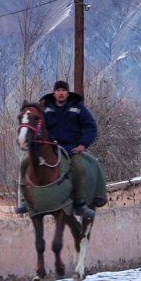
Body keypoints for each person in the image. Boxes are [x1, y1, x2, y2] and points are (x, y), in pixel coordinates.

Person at [17, 80, 99, 217]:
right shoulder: (46, 109)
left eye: (63, 90)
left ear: (67, 93)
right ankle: (26, 200)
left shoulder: (78, 108)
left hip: (71, 148)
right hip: (51, 147)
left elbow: (91, 127)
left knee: (79, 167)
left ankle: (79, 203)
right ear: (54, 93)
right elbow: (38, 126)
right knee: (25, 163)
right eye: (58, 90)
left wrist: (82, 144)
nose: (61, 93)